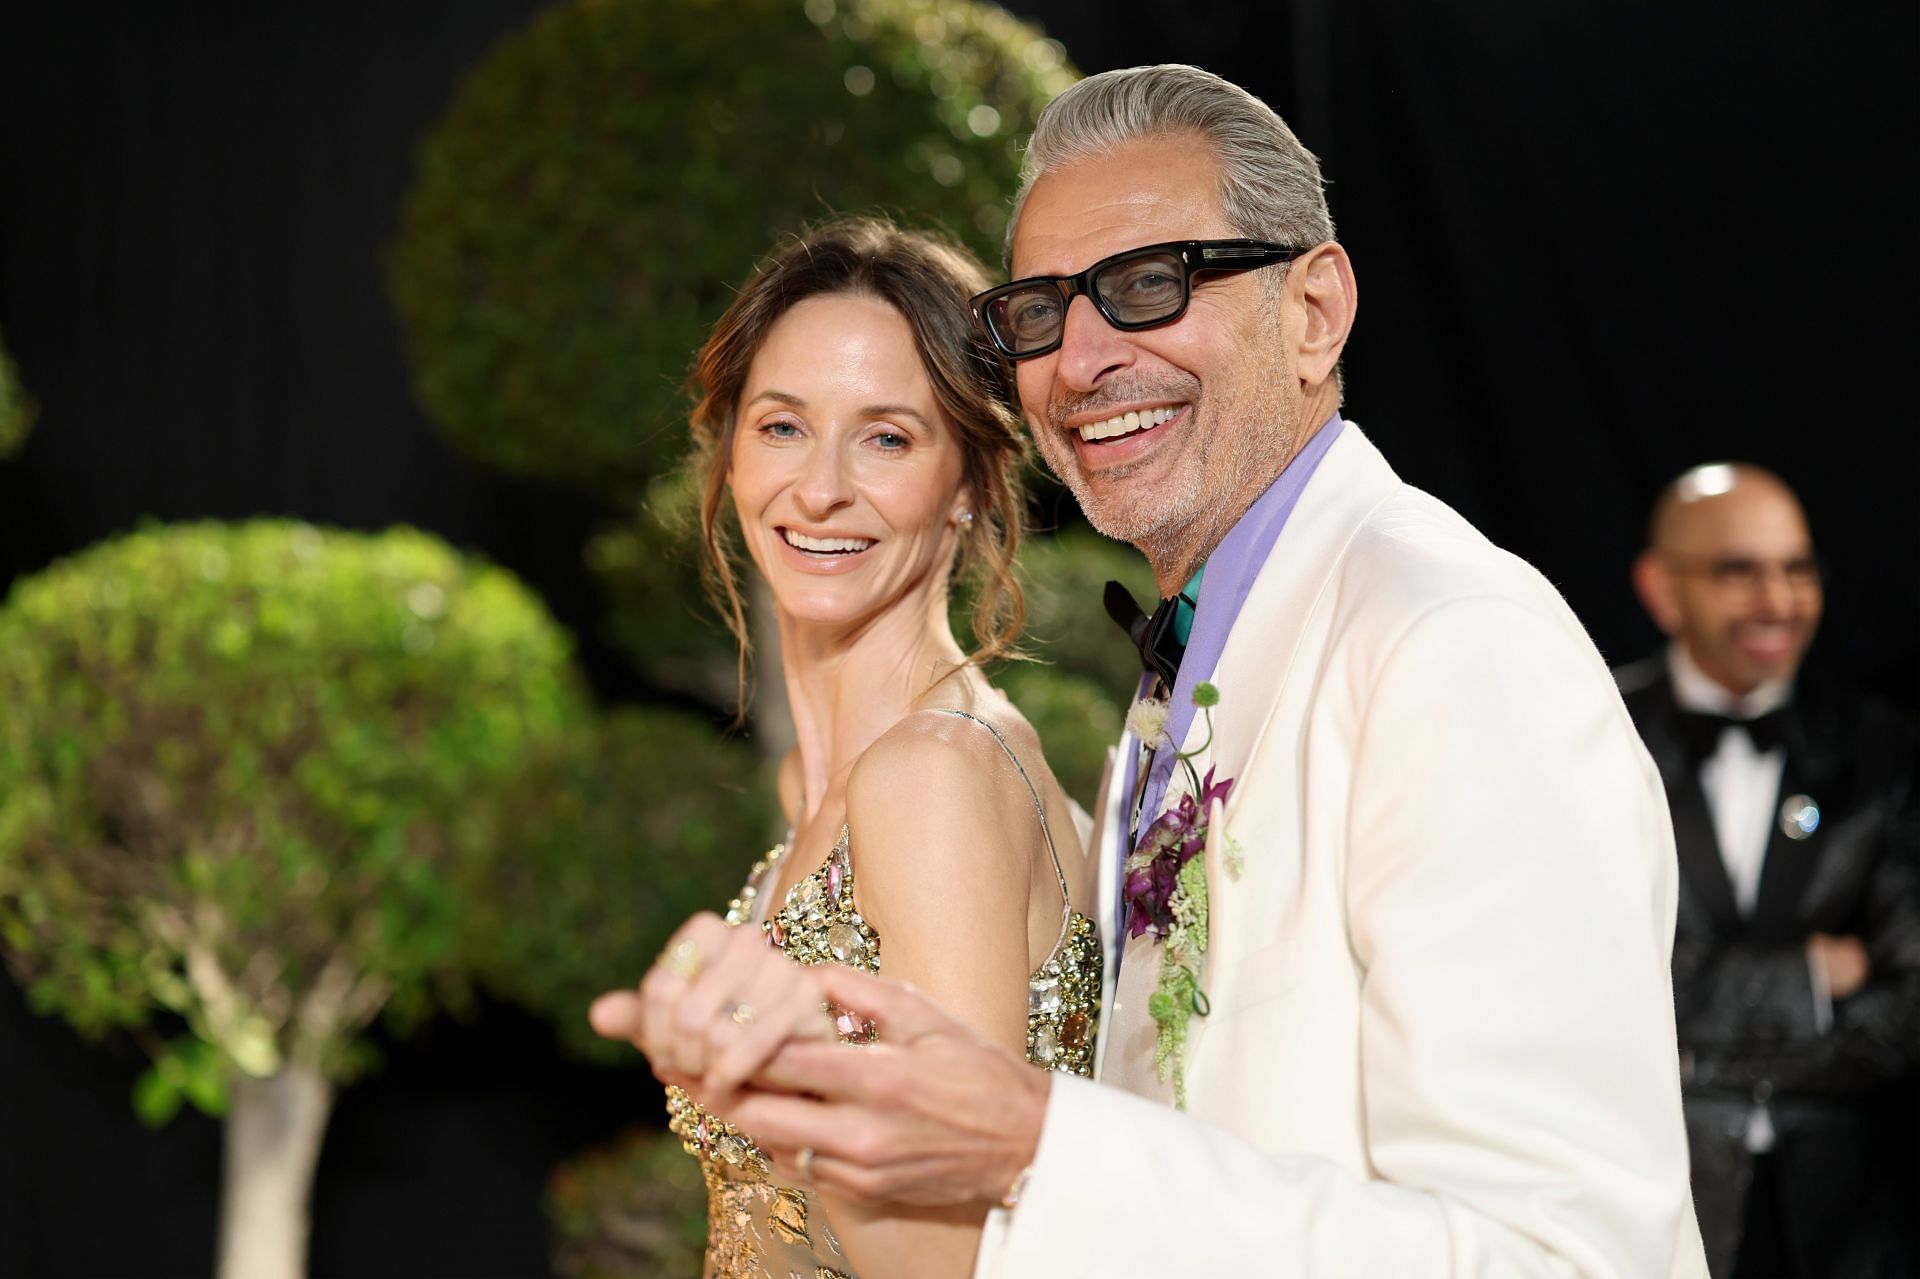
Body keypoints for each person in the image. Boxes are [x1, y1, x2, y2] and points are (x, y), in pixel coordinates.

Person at [601, 65, 1708, 1276]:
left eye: (1148, 286)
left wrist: (1029, 1143)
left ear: (1315, 311)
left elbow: (1570, 1257)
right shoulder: (1178, 688)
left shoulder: (1451, 642)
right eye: (1043, 309)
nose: (1082, 359)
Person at [589, 217, 1103, 1279]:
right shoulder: (825, 781)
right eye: (782, 426)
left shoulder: (931, 777)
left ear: (968, 482)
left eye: (886, 437)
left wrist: (774, 1087)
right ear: (727, 450)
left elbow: (955, 1259)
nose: (820, 488)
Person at [1618, 463, 1920, 1278]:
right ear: (1662, 588)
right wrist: (1813, 979)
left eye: (1797, 568)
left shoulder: (1885, 750)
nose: (1779, 599)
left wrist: (1689, 1052)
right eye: (1738, 569)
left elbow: (1907, 1009)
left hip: (1852, 1224)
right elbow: (1590, 988)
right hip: (1653, 1207)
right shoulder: (1593, 734)